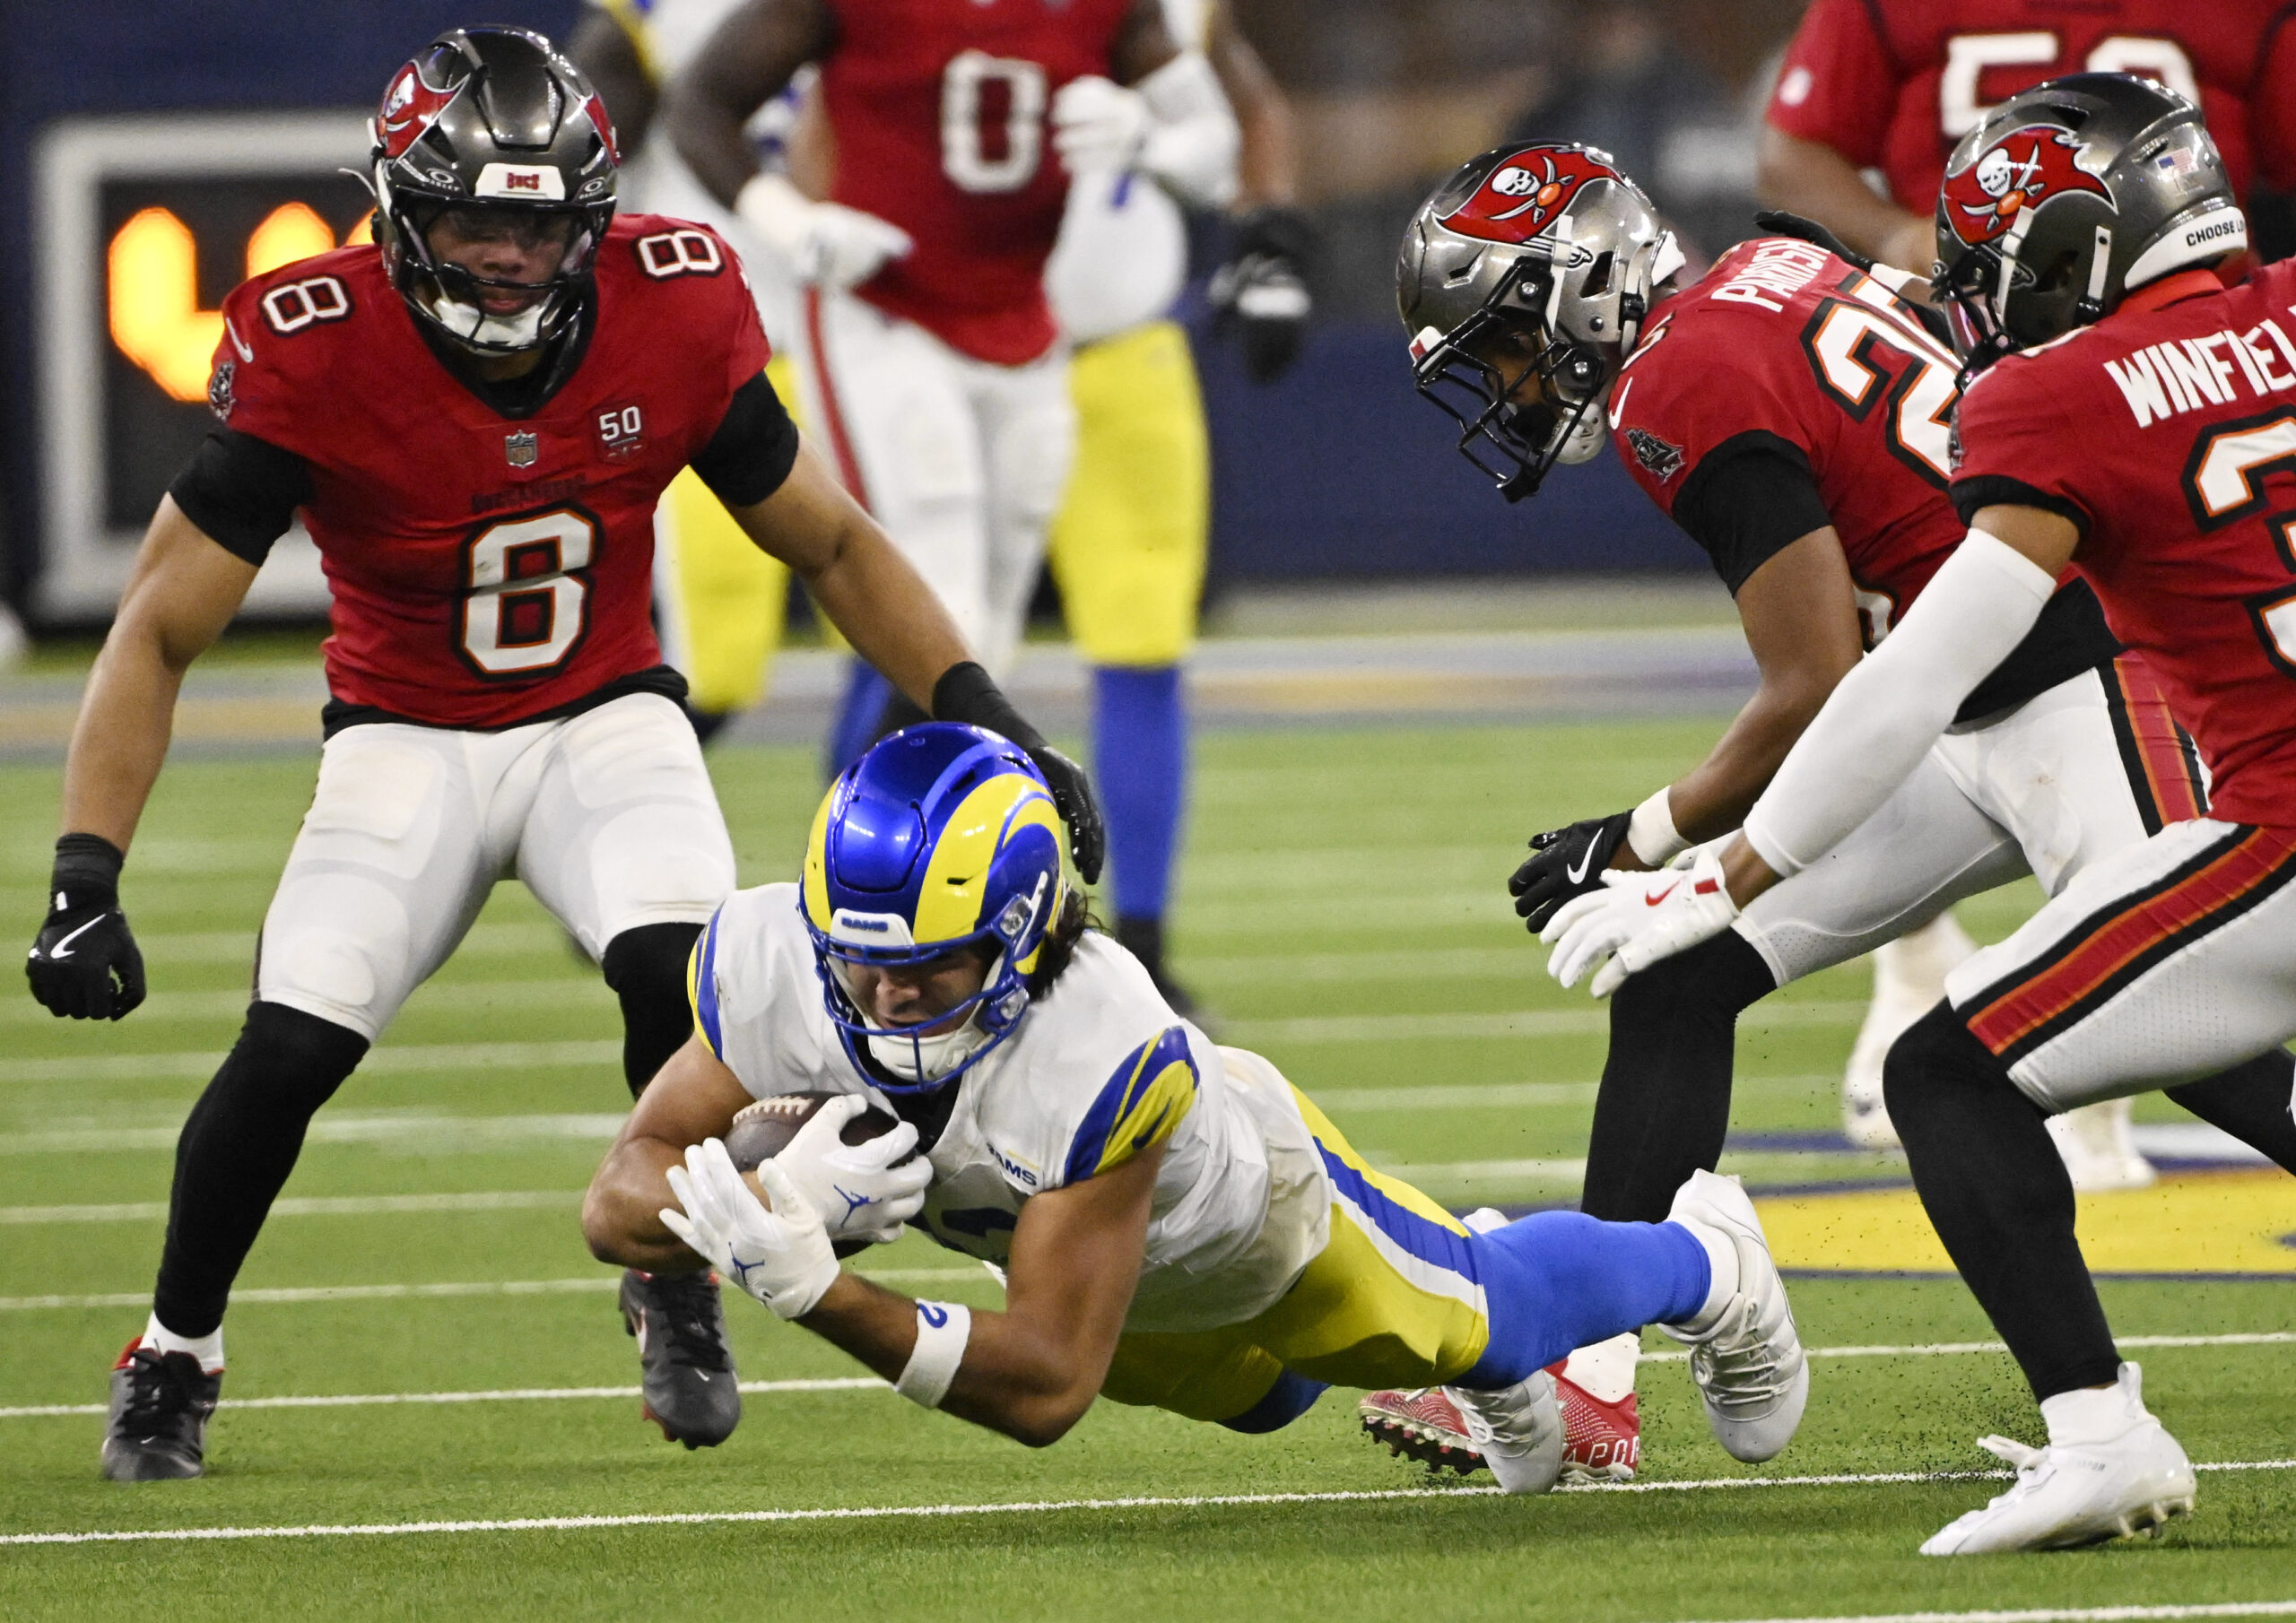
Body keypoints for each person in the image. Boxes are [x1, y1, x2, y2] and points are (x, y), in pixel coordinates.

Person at [28, 26, 1099, 1482]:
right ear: (405, 213)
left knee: (683, 978)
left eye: (538, 224)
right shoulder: (314, 337)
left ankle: (672, 1271)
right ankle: (174, 1350)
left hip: (606, 715)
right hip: (404, 734)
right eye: (474, 219)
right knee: (286, 1050)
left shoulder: (675, 303)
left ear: (590, 220)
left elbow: (831, 541)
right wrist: (85, 873)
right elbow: (155, 630)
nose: (509, 258)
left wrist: (997, 721)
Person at [1361, 139, 2296, 1485]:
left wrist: (1646, 835)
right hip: (1962, 702)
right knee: (1673, 975)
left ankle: (2100, 1427)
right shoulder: (1762, 264)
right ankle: (1592, 1381)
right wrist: (1669, 863)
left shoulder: (1674, 379)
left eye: (1507, 340)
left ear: (1579, 290)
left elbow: (1815, 682)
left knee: (2198, 1033)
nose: (1506, 383)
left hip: (2078, 678)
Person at [579, 721, 1809, 1488]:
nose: (887, 997)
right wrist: (745, 1203)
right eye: (860, 961)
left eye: (930, 966)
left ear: (1016, 937)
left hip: (1245, 1213)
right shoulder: (773, 959)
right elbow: (624, 1182)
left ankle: (1708, 1261)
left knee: (1470, 1320)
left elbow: (1050, 1383)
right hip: (1073, 1253)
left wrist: (817, 1286)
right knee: (1269, 1404)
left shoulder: (1101, 1044)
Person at [1759, 0, 2296, 1167]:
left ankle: (2062, 1012)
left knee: (1956, 1065)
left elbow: (1916, 674)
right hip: (2132, 340)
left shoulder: (2053, 394)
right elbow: (1795, 147)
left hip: (2271, 830)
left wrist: (1723, 868)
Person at [665, 0, 1239, 758]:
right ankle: (862, 863)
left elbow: (1216, 146)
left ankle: (898, 856)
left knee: (987, 644)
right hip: (884, 310)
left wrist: (1149, 143)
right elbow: (701, 102)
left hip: (1026, 321)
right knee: (950, 614)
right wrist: (790, 223)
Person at [1035, 0, 1313, 1009]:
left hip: (1124, 350)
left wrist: (1266, 235)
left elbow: (1243, 110)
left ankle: (1140, 938)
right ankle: (861, 911)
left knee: (1145, 647)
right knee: (911, 640)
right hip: (950, 353)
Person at [569, 0, 816, 744]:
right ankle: (602, 812)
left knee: (903, 637)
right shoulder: (659, 13)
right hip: (725, 351)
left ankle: (867, 852)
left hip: (872, 340)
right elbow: (576, 154)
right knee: (717, 666)